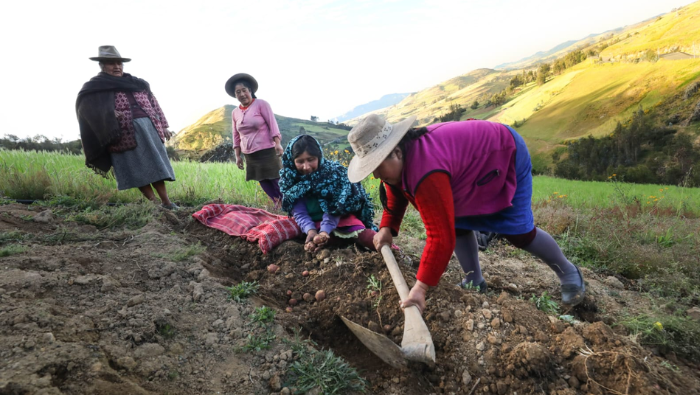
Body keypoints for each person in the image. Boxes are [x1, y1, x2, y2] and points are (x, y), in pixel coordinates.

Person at [346, 114, 586, 312]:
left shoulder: (425, 170)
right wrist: (386, 227)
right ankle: (474, 280)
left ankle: (568, 272)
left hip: (503, 153)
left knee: (518, 232)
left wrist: (420, 289)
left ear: (396, 152)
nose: (376, 176)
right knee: (458, 223)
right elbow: (395, 191)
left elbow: (440, 237)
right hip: (468, 167)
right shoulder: (399, 161)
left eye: (378, 167)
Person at [76, 46, 178, 209]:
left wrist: (164, 125)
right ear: (102, 65)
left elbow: (154, 103)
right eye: (111, 63)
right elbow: (86, 110)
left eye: (119, 63)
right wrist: (108, 114)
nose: (116, 66)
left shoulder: (137, 83)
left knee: (156, 165)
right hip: (121, 134)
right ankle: (155, 205)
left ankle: (167, 202)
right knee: (135, 169)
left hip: (150, 129)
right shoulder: (95, 87)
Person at [279, 135, 378, 252]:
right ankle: (334, 243)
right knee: (313, 240)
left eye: (311, 159)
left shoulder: (333, 175)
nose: (306, 167)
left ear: (319, 157)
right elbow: (300, 213)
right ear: (292, 161)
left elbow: (334, 209)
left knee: (365, 235)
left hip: (338, 218)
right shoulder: (290, 181)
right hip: (311, 223)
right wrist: (311, 231)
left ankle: (392, 251)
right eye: (300, 161)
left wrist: (325, 231)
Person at [225, 73, 284, 205]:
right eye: (238, 92)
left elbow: (272, 124)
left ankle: (288, 204)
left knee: (275, 178)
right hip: (250, 153)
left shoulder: (261, 104)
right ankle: (277, 204)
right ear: (235, 95)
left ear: (250, 90)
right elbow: (236, 134)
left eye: (244, 90)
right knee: (262, 180)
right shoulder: (235, 112)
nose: (241, 94)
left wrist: (277, 143)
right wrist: (238, 156)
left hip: (267, 150)